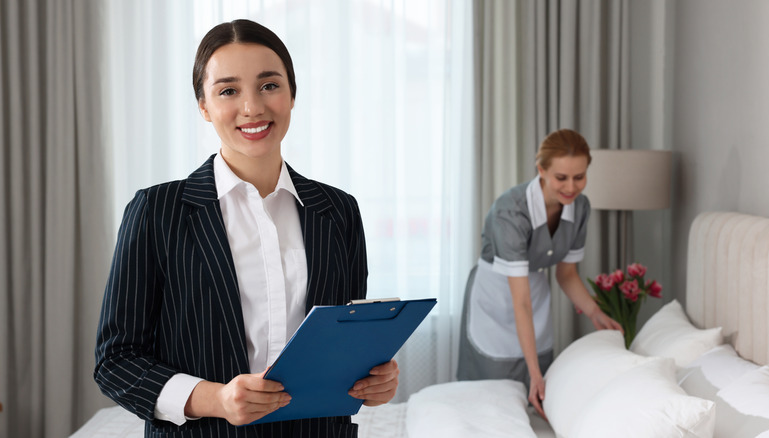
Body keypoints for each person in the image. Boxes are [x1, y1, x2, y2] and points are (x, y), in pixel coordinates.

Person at [94, 19, 399, 437]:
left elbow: (343, 345)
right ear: (203, 105)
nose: (253, 107)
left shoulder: (338, 211)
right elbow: (116, 361)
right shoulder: (157, 211)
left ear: (292, 94)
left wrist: (374, 379)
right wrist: (215, 398)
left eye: (269, 85)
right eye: (228, 90)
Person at [456, 129, 621, 419]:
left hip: (533, 296)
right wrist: (535, 373)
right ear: (541, 170)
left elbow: (566, 274)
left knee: (536, 400)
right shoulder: (511, 211)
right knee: (491, 400)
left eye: (579, 176)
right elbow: (520, 302)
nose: (571, 187)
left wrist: (596, 314)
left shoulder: (580, 207)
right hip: (497, 298)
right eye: (561, 177)